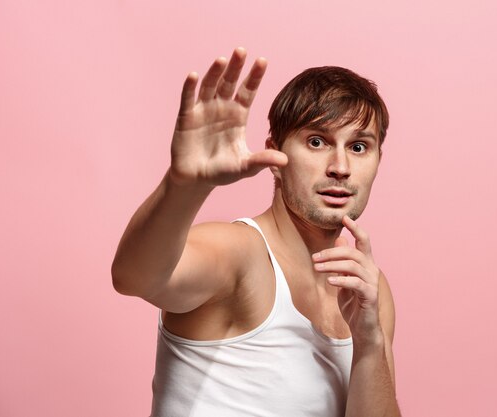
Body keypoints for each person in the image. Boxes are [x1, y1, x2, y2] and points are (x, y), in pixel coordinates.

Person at [112, 47, 400, 417]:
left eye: (359, 147)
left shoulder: (368, 288)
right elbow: (135, 278)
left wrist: (369, 342)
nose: (340, 167)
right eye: (317, 142)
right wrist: (183, 185)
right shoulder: (240, 253)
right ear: (275, 155)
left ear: (377, 162)